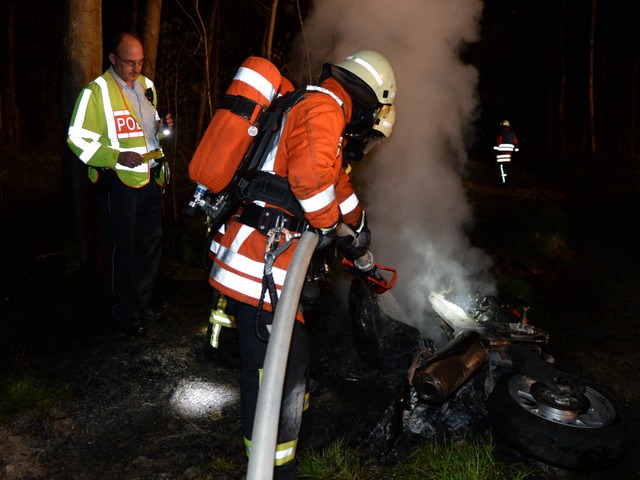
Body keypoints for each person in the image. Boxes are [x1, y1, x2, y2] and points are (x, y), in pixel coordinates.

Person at [204, 50, 397, 479]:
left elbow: (334, 181)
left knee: (295, 361)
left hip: (268, 267)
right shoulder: (324, 108)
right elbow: (310, 184)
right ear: (369, 99)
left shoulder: (321, 108)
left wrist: (357, 226)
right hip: (261, 269)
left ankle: (290, 444)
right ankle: (272, 465)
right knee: (275, 376)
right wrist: (332, 227)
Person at [67, 32, 173, 336]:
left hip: (151, 177)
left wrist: (164, 128)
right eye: (130, 62)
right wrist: (114, 157)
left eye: (140, 62)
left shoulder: (147, 86)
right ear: (113, 58)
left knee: (151, 245)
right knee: (122, 247)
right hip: (118, 183)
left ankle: (142, 303)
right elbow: (76, 137)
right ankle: (124, 310)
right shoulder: (96, 92)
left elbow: (150, 131)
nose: (136, 68)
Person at [493, 119, 519, 183]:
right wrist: (516, 148)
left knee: (500, 163)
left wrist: (495, 149)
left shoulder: (501, 133)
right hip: (510, 151)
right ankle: (508, 177)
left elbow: (498, 141)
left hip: (502, 150)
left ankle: (503, 179)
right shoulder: (513, 134)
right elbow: (516, 142)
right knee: (507, 163)